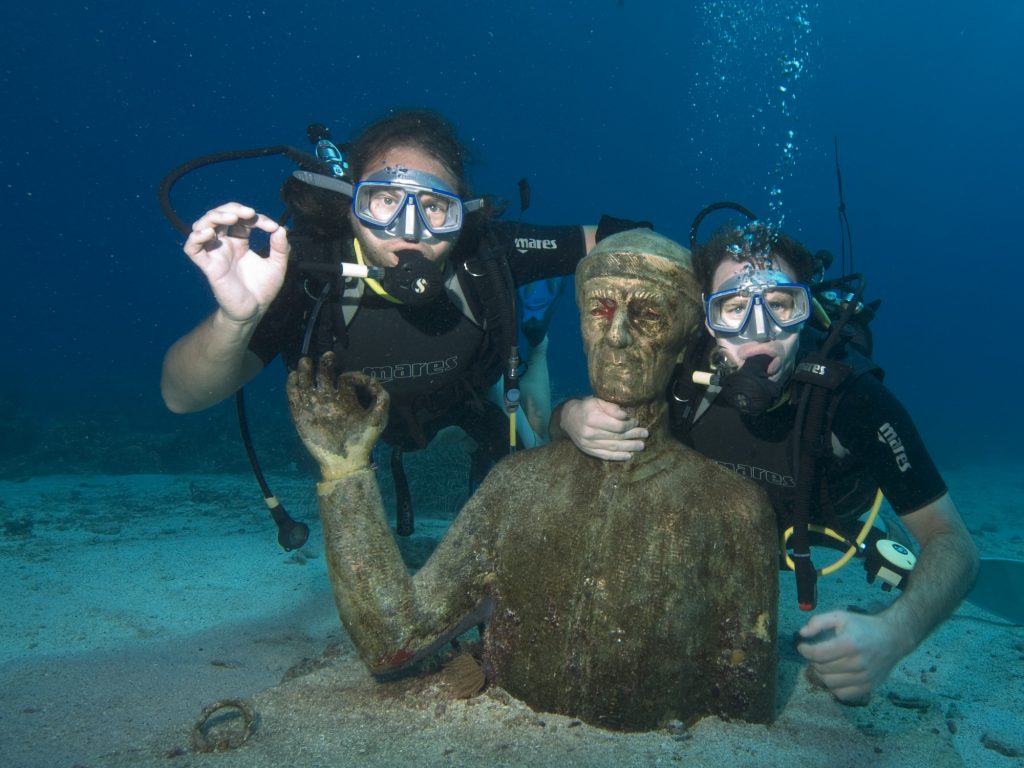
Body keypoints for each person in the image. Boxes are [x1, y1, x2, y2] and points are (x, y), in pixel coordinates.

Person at [285, 230, 779, 730]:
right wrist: (344, 471)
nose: (617, 336)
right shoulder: (515, 486)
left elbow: (745, 701)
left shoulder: (732, 509)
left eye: (648, 314)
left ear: (687, 337)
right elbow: (393, 639)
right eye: (600, 311)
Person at [556, 222, 979, 704]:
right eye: (734, 309)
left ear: (804, 311)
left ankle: (880, 535)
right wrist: (569, 415)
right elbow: (602, 420)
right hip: (723, 529)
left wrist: (895, 633)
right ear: (707, 321)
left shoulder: (852, 399)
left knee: (896, 544)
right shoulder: (682, 374)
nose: (760, 332)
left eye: (779, 306)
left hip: (826, 518)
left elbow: (954, 544)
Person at [161, 110, 643, 517]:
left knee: (529, 445)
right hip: (356, 426)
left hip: (471, 397)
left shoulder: (486, 250)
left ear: (463, 216)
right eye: (386, 201)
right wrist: (237, 319)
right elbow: (181, 397)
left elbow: (626, 240)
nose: (409, 231)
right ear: (349, 205)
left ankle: (535, 344)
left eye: (435, 208)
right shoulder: (308, 275)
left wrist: (712, 281)